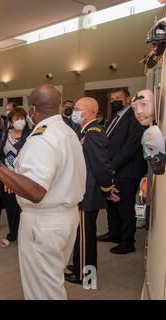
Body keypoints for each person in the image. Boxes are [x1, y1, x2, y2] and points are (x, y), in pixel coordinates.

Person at [0, 84, 86, 299]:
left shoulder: (42, 138)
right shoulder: (67, 131)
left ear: (31, 110)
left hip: (43, 223)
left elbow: (35, 191)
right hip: (66, 217)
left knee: (42, 290)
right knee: (52, 281)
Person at [64, 98, 119, 284]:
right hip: (84, 190)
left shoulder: (94, 132)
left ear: (90, 112)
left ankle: (85, 276)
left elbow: (101, 166)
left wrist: (107, 189)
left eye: (78, 109)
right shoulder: (84, 130)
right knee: (82, 234)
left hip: (89, 192)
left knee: (86, 236)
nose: (74, 112)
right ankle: (79, 265)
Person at [97, 88, 147, 254]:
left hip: (126, 171)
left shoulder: (134, 117)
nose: (114, 101)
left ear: (127, 100)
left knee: (125, 207)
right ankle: (114, 233)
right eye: (112, 99)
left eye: (117, 98)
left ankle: (127, 242)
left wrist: (112, 167)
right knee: (112, 203)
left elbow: (130, 147)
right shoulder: (114, 118)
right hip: (112, 169)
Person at [0, 107, 31, 248]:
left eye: (22, 118)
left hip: (25, 178)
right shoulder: (3, 135)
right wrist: (6, 177)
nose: (20, 121)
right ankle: (12, 235)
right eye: (16, 119)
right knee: (11, 209)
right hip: (7, 178)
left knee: (26, 210)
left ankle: (26, 237)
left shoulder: (31, 135)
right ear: (10, 121)